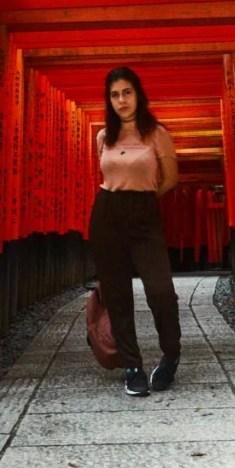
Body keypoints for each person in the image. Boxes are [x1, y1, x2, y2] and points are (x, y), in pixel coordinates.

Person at [88, 66, 182, 397]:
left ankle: (171, 356)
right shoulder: (103, 137)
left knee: (162, 293)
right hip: (107, 215)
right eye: (114, 95)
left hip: (144, 214)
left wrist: (141, 197)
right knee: (117, 295)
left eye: (127, 92)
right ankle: (132, 367)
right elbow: (100, 175)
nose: (121, 100)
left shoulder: (156, 133)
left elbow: (170, 178)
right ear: (109, 101)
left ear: (138, 94)